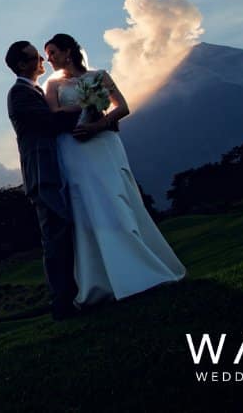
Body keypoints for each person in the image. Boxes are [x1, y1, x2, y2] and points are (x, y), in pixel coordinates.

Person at [42, 33, 186, 307]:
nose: (49, 59)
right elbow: (55, 114)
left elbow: (123, 107)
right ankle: (102, 281)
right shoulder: (52, 85)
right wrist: (84, 107)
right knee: (89, 206)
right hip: (74, 150)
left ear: (68, 52)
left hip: (104, 144)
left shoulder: (99, 76)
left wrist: (98, 123)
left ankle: (142, 269)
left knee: (117, 199)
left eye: (52, 52)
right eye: (47, 55)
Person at [4, 40, 93, 320]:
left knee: (63, 232)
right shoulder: (19, 94)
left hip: (56, 170)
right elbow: (50, 123)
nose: (43, 59)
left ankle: (76, 294)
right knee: (55, 237)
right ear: (21, 64)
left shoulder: (34, 91)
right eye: (36, 56)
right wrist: (88, 104)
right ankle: (62, 305)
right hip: (42, 175)